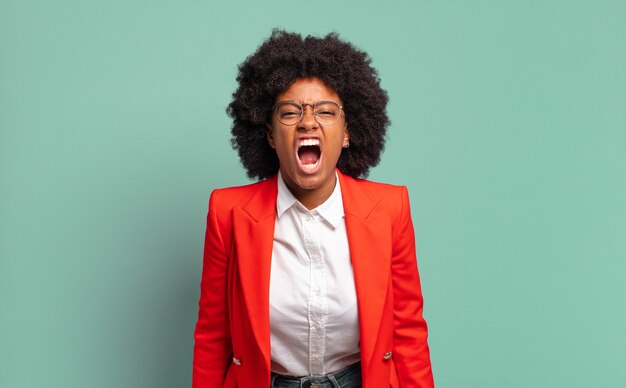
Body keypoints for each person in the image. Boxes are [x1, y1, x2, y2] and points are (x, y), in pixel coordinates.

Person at [192, 30, 434, 388]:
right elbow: (213, 338)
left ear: (348, 132)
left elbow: (408, 335)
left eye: (325, 111)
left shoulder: (389, 208)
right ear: (270, 134)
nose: (308, 122)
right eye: (290, 112)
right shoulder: (228, 213)